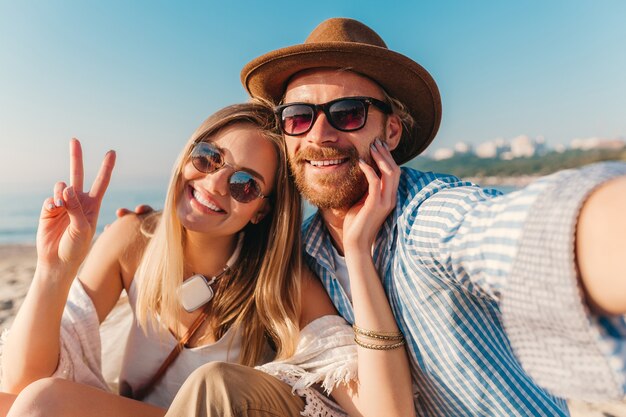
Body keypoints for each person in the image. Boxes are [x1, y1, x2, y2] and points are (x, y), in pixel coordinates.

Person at [241, 17, 626, 416]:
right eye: (298, 117)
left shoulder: (427, 215)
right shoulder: (303, 253)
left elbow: (521, 232)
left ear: (391, 133)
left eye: (348, 112)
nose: (319, 135)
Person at [0, 101, 414, 417]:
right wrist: (54, 270)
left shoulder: (277, 283)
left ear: (262, 211)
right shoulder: (133, 239)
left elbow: (384, 410)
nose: (214, 184)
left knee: (43, 402)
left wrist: (358, 253)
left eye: (244, 184)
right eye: (207, 157)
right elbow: (21, 380)